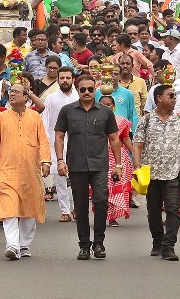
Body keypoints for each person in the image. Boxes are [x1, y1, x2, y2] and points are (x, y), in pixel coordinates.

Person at [54, 74, 122, 260]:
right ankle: (84, 245)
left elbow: (114, 139)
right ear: (77, 90)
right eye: (82, 89)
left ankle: (99, 243)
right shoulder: (67, 111)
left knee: (101, 202)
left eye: (90, 89)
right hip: (76, 165)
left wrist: (118, 165)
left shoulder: (105, 112)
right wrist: (60, 160)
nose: (86, 92)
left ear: (95, 90)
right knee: (81, 206)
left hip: (100, 165)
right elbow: (59, 136)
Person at [0, 82, 51, 260]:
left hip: (31, 171)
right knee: (9, 209)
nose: (12, 94)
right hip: (7, 170)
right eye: (11, 91)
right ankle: (13, 245)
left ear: (26, 96)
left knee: (29, 209)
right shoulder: (1, 118)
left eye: (16, 92)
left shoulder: (35, 118)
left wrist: (46, 161)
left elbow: (43, 141)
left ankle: (24, 244)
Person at [132, 84, 180, 261]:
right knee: (153, 211)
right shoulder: (146, 120)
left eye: (175, 95)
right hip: (151, 175)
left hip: (173, 174)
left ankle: (169, 246)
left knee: (173, 210)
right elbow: (137, 145)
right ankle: (157, 241)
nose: (175, 98)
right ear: (159, 98)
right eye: (171, 95)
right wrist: (137, 167)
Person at [41, 66, 78, 222]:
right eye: (61, 78)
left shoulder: (79, 97)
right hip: (57, 142)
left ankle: (78, 208)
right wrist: (46, 143)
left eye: (67, 78)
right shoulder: (51, 99)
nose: (64, 81)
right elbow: (45, 122)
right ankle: (64, 211)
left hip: (77, 142)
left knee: (78, 178)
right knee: (61, 178)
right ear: (57, 80)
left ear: (73, 79)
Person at [97, 95, 134, 227]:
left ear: (114, 106)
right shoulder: (94, 119)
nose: (106, 107)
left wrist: (137, 155)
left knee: (116, 187)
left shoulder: (120, 121)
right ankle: (101, 215)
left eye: (109, 104)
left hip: (118, 158)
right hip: (99, 157)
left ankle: (113, 217)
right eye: (103, 104)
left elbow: (125, 139)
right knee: (101, 188)